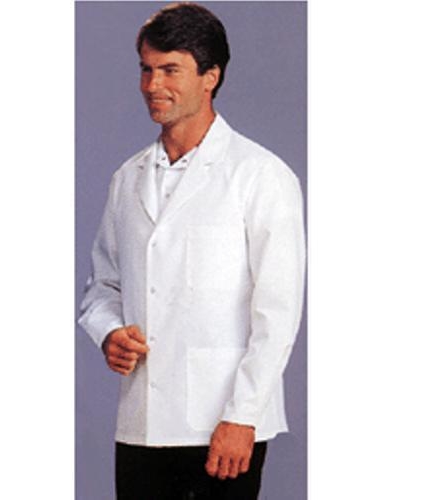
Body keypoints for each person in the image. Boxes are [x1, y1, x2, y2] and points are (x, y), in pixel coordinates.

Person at [79, 3, 305, 499]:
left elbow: (278, 311)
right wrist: (109, 330)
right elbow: (103, 284)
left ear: (210, 77)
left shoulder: (260, 176)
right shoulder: (127, 179)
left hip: (221, 423)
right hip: (141, 424)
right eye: (146, 69)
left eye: (169, 70)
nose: (152, 84)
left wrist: (243, 416)